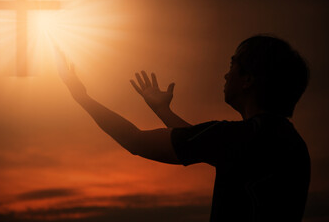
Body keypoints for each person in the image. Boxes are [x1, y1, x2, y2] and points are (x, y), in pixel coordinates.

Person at [56, 35, 310, 222]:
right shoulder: (288, 141)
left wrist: (81, 96)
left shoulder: (238, 138)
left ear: (248, 79)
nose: (225, 75)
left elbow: (134, 141)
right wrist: (163, 111)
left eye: (232, 65)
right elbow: (204, 141)